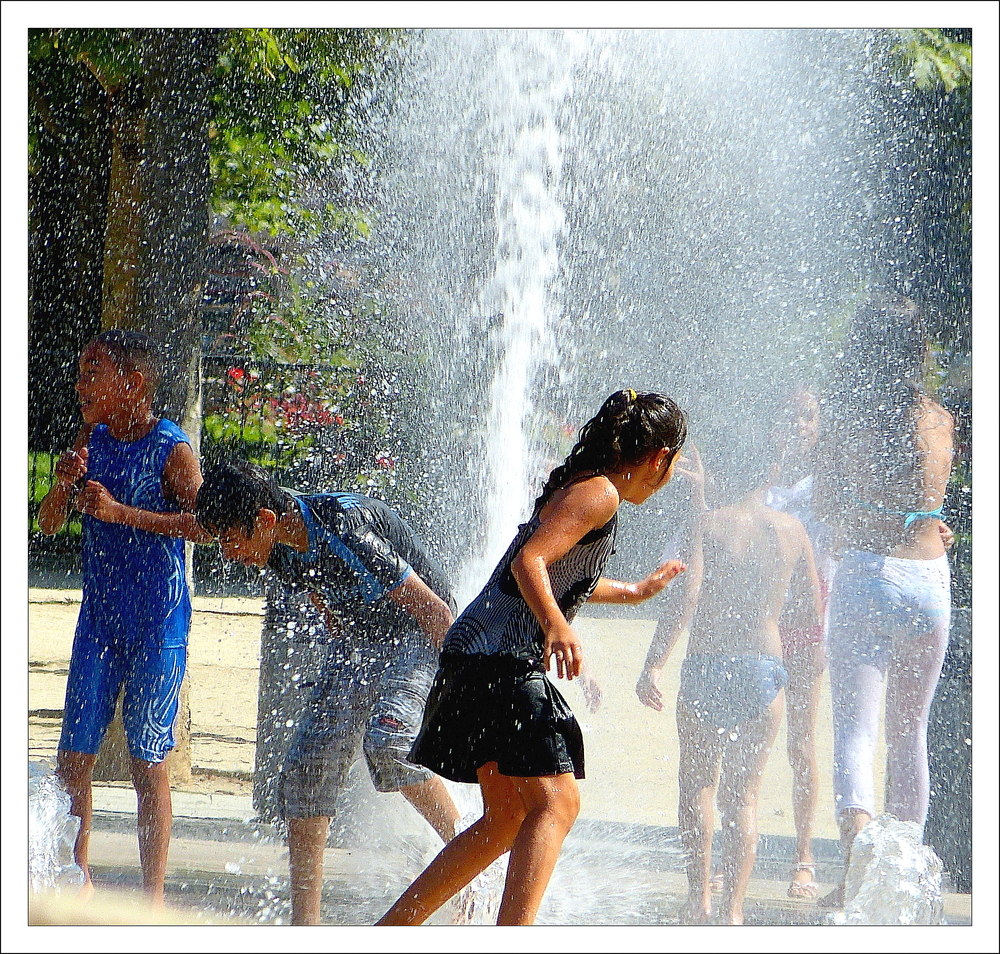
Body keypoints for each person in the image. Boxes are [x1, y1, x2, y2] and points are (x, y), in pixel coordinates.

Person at [377, 389, 689, 927]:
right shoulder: (600, 494)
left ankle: (391, 930)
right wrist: (557, 624)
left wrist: (635, 592)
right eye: (676, 460)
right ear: (660, 457)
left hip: (473, 658)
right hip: (496, 660)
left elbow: (564, 576)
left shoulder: (589, 487)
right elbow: (530, 562)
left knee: (505, 821)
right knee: (556, 804)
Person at [194, 460, 463, 925]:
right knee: (304, 774)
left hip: (418, 635)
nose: (228, 552)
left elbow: (435, 610)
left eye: (229, 538)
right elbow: (322, 594)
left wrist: (464, 692)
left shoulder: (343, 528)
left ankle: (472, 856)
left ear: (264, 520)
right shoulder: (275, 545)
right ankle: (307, 927)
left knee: (389, 744)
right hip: (359, 643)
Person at [37, 329, 209, 904]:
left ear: (131, 383)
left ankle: (152, 899)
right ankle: (74, 878)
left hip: (158, 623)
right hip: (99, 621)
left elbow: (206, 527)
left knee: (147, 759)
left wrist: (120, 512)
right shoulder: (94, 439)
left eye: (93, 372)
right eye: (81, 372)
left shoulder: (172, 450)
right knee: (73, 755)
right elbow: (47, 526)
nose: (80, 384)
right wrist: (62, 485)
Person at [636, 438, 823, 925]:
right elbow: (810, 610)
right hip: (763, 670)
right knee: (745, 799)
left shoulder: (708, 523)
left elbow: (688, 595)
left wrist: (654, 662)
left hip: (706, 667)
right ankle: (733, 912)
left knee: (697, 787)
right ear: (772, 469)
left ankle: (699, 901)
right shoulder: (791, 531)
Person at [813, 295, 955, 908]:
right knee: (910, 732)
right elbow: (933, 501)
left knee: (856, 729)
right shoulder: (942, 418)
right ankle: (907, 883)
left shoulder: (849, 418)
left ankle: (855, 872)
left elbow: (824, 507)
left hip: (868, 574)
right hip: (931, 579)